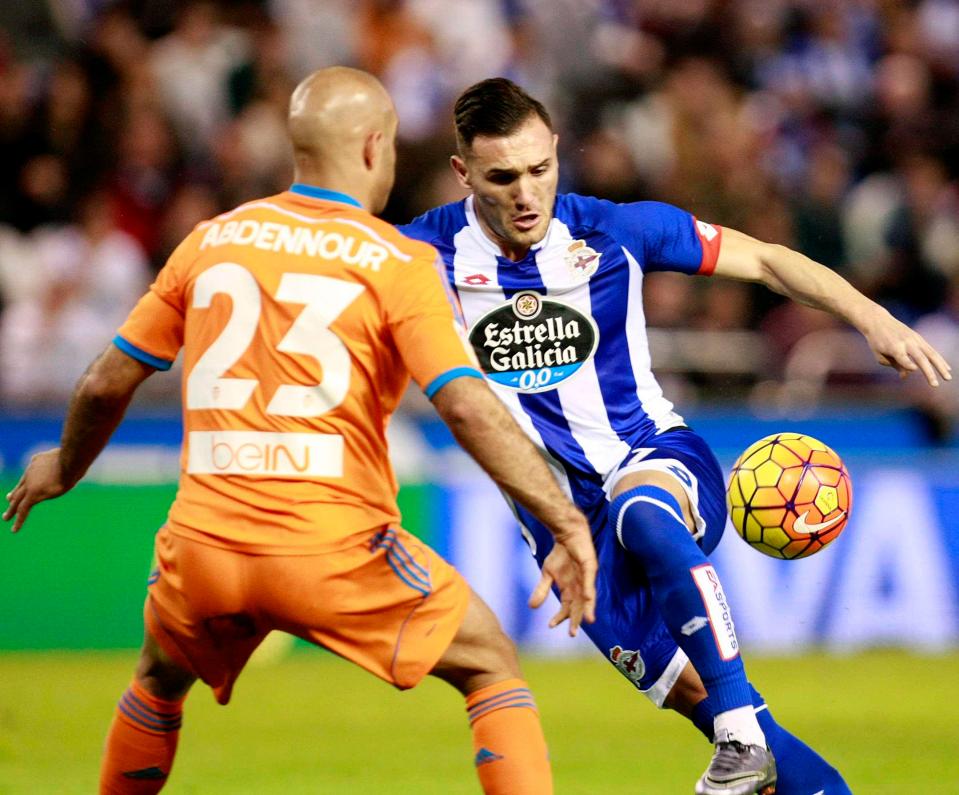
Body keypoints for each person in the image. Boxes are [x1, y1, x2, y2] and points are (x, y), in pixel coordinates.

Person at [2, 67, 598, 795]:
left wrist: (64, 466)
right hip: (331, 547)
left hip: (206, 544)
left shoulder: (210, 241)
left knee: (157, 679)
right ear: (375, 148)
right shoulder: (398, 261)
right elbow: (466, 405)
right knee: (489, 664)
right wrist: (563, 516)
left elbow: (105, 380)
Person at [400, 77, 952, 795]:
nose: (526, 192)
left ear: (557, 152)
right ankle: (760, 748)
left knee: (643, 513)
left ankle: (740, 740)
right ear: (462, 171)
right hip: (564, 532)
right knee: (719, 709)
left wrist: (870, 316)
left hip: (655, 455)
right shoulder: (418, 256)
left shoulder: (614, 229)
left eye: (540, 168)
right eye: (503, 176)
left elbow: (762, 258)